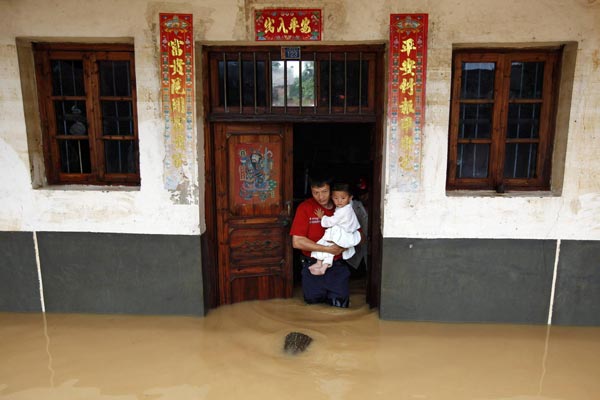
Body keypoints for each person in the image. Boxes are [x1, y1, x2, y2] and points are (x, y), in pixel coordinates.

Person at [290, 174, 360, 308]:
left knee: (340, 308)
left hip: (338, 267)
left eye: (324, 192)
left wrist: (343, 246)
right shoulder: (305, 208)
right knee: (313, 308)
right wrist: (327, 249)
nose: (320, 197)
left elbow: (359, 236)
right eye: (315, 192)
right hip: (312, 267)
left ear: (332, 191)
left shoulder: (343, 206)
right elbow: (297, 242)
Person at [309, 182, 361, 275]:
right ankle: (320, 264)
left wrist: (322, 217)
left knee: (326, 244)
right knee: (327, 245)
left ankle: (322, 265)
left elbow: (331, 221)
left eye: (343, 198)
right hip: (344, 232)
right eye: (336, 198)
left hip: (344, 234)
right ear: (332, 197)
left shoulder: (344, 210)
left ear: (350, 198)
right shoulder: (346, 206)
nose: (339, 201)